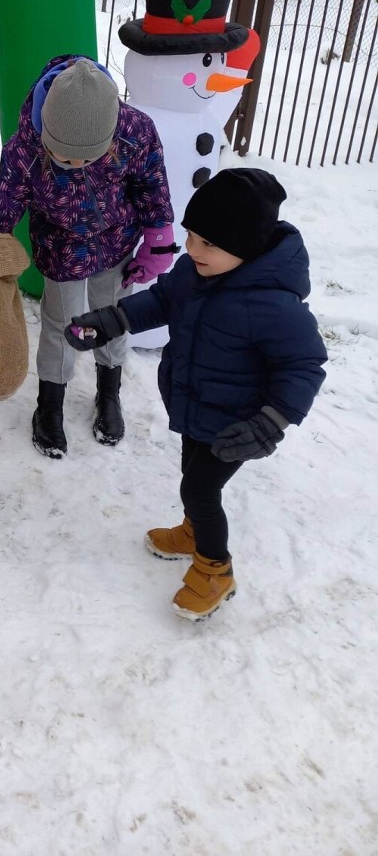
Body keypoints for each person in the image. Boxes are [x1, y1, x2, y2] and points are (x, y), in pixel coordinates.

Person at [65, 168, 327, 620]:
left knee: (201, 487)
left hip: (239, 422)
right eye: (191, 236)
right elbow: (163, 301)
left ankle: (215, 571)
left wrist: (270, 424)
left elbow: (303, 364)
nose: (191, 250)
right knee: (192, 476)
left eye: (208, 243)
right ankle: (192, 532)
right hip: (194, 402)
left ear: (244, 247)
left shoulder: (274, 303)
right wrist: (112, 320)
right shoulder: (196, 270)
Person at [0, 55, 175, 456]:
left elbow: (151, 183)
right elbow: (1, 207)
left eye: (89, 157)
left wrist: (159, 236)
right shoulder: (26, 148)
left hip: (117, 240)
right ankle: (49, 406)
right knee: (61, 324)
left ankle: (108, 393)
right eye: (65, 157)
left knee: (112, 315)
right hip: (61, 244)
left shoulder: (135, 131)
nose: (77, 165)